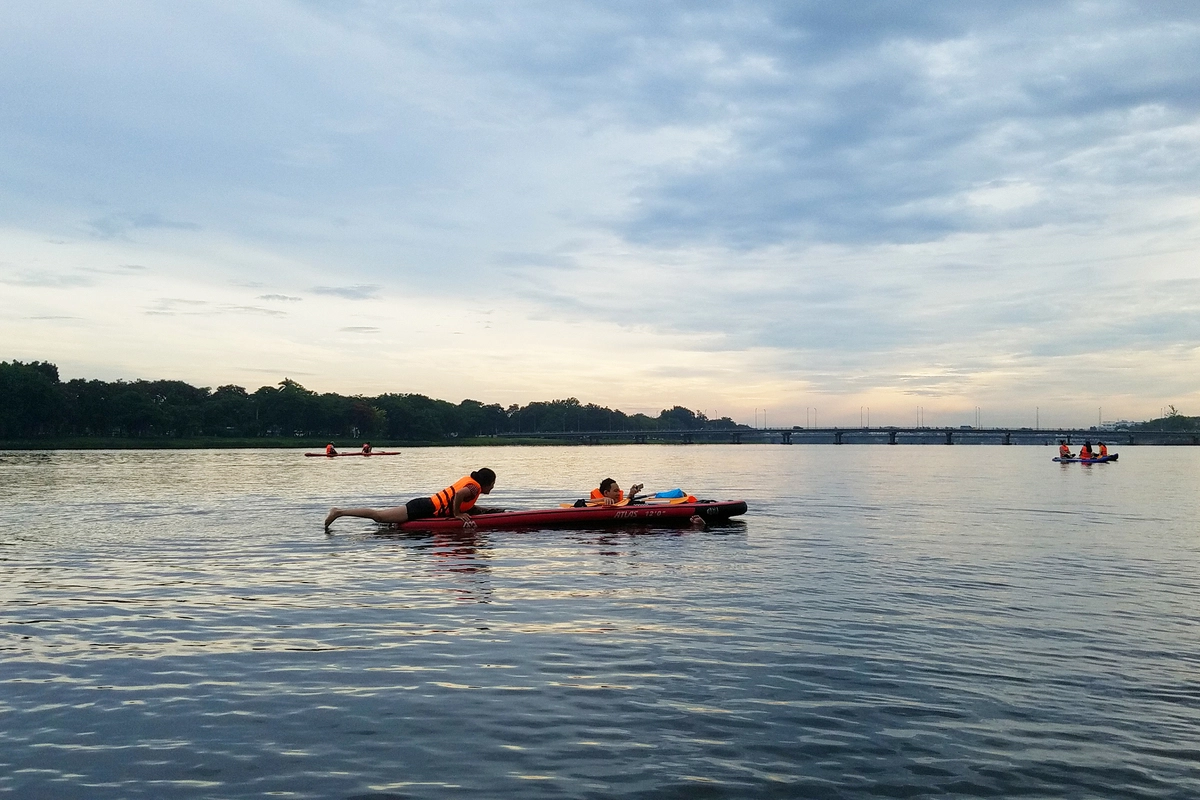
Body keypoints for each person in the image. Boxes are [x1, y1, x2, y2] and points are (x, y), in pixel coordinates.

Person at [324, 468, 496, 530]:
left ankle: (340, 512)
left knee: (382, 517)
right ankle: (339, 512)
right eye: (493, 484)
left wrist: (480, 510)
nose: (493, 488)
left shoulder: (473, 486)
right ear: (486, 483)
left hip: (424, 504)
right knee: (379, 516)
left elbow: (459, 500)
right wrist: (458, 514)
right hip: (423, 508)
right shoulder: (474, 487)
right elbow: (458, 496)